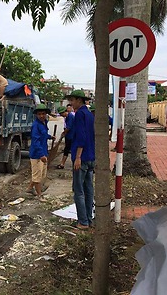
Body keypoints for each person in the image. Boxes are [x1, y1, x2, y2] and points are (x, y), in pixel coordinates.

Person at [66, 90, 95, 230]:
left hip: (81, 158)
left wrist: (77, 157)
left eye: (72, 100)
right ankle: (89, 219)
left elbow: (81, 137)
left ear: (79, 100)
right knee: (88, 189)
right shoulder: (89, 115)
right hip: (90, 157)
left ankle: (83, 222)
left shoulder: (79, 115)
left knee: (78, 190)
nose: (70, 103)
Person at [26, 104, 55, 202]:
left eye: (43, 114)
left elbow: (43, 135)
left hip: (43, 151)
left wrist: (50, 137)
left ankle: (30, 189)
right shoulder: (36, 125)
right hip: (37, 154)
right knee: (38, 176)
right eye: (39, 114)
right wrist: (41, 155)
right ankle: (39, 195)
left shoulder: (44, 123)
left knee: (40, 174)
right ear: (36, 115)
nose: (41, 116)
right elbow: (36, 141)